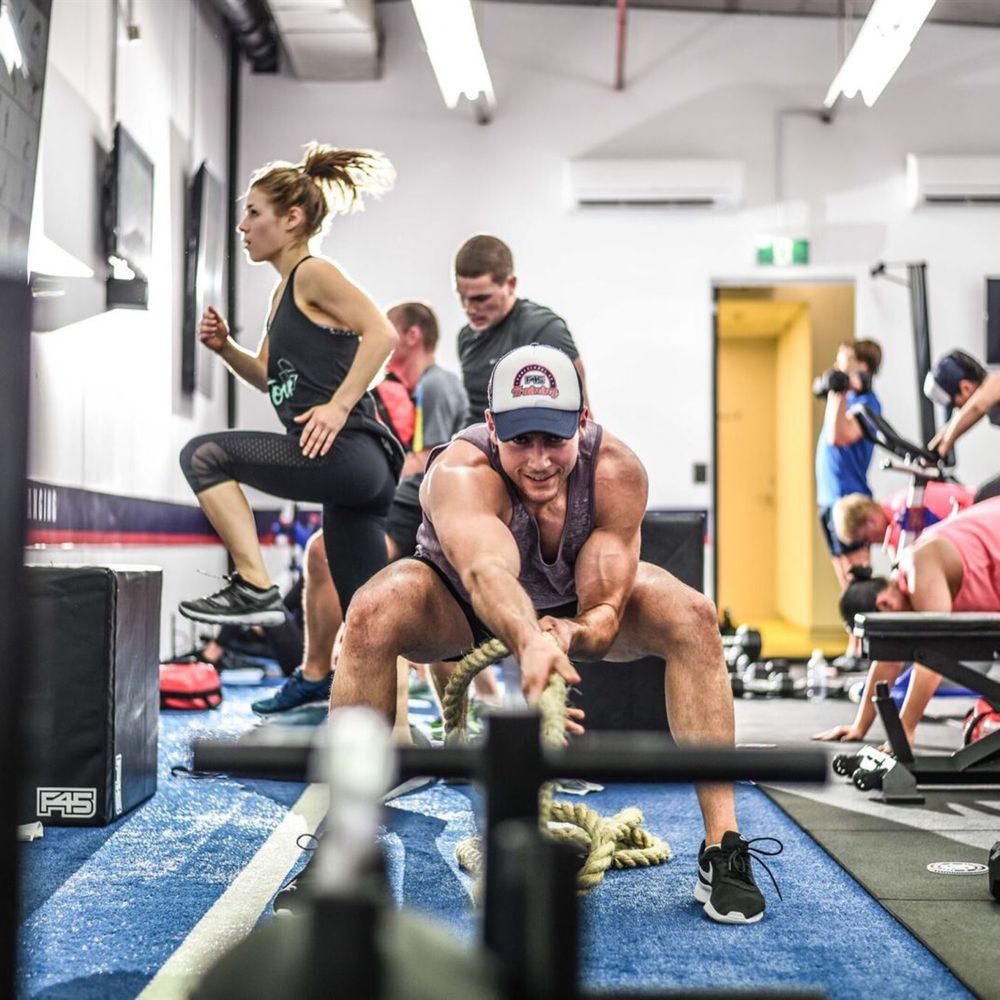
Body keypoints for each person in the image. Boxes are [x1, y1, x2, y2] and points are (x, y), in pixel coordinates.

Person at [332, 343, 780, 924]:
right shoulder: (462, 473)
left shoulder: (616, 473)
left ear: (582, 421)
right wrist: (528, 639)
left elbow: (606, 611)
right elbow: (486, 572)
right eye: (521, 440)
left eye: (555, 438)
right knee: (372, 609)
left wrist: (568, 632)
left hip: (571, 607)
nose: (539, 460)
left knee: (694, 615)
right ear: (492, 426)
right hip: (459, 600)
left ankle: (722, 846)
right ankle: (343, 853)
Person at [178, 143, 403, 630]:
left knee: (203, 456)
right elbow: (267, 377)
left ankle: (255, 585)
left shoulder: (313, 273)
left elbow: (382, 333)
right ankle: (390, 684)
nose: (243, 226)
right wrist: (226, 348)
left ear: (292, 219)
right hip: (356, 473)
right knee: (369, 623)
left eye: (254, 213)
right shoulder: (284, 292)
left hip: (347, 451)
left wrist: (338, 406)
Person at [251, 301, 470, 715]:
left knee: (347, 567)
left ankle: (445, 712)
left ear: (412, 336)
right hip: (403, 502)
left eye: (389, 330)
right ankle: (315, 675)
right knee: (320, 553)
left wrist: (371, 463)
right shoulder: (399, 391)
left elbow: (432, 458)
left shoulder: (436, 385)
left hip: (420, 509)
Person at [814, 496, 1000, 745]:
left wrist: (905, 730)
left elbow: (934, 658)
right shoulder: (905, 581)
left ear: (884, 604)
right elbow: (889, 659)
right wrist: (859, 726)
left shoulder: (919, 567)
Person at [453, 235, 591, 425]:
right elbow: (476, 412)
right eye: (462, 297)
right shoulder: (466, 338)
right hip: (480, 438)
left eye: (481, 298)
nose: (469, 309)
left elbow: (584, 419)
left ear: (510, 284)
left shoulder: (544, 330)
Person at [814, 339, 883, 665]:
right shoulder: (849, 399)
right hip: (830, 500)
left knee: (857, 582)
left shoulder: (867, 404)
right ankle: (854, 648)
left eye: (844, 361)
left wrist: (838, 393)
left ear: (862, 366)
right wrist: (837, 391)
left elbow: (838, 435)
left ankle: (863, 650)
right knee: (846, 583)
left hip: (850, 503)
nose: (837, 367)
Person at [832, 481, 975, 562]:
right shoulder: (897, 503)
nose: (870, 544)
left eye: (865, 539)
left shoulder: (906, 511)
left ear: (871, 521)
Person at [925, 349, 1000, 502]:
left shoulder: (995, 381)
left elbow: (975, 407)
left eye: (956, 405)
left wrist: (944, 446)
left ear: (965, 387)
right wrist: (932, 448)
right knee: (982, 498)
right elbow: (966, 413)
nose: (960, 410)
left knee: (984, 500)